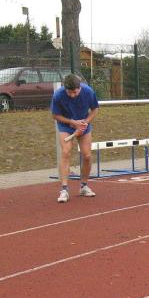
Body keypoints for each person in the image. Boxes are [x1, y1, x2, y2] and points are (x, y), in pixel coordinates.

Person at [52, 73, 100, 203]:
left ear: (80, 87)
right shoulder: (58, 95)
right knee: (66, 152)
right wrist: (72, 122)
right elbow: (55, 115)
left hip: (83, 124)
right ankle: (64, 189)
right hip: (66, 125)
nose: (72, 95)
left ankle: (84, 186)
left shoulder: (88, 92)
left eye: (75, 92)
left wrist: (84, 123)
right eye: (69, 92)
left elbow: (95, 109)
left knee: (87, 155)